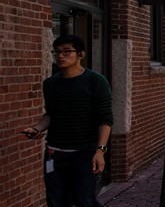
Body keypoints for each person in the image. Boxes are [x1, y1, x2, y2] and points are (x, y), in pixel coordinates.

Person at [20, 34, 113, 207]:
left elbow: (105, 119)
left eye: (67, 51)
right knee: (55, 200)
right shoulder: (50, 83)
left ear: (81, 55)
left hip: (85, 152)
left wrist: (100, 151)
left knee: (84, 200)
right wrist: (36, 129)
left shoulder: (96, 81)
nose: (60, 56)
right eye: (57, 52)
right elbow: (51, 115)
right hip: (54, 153)